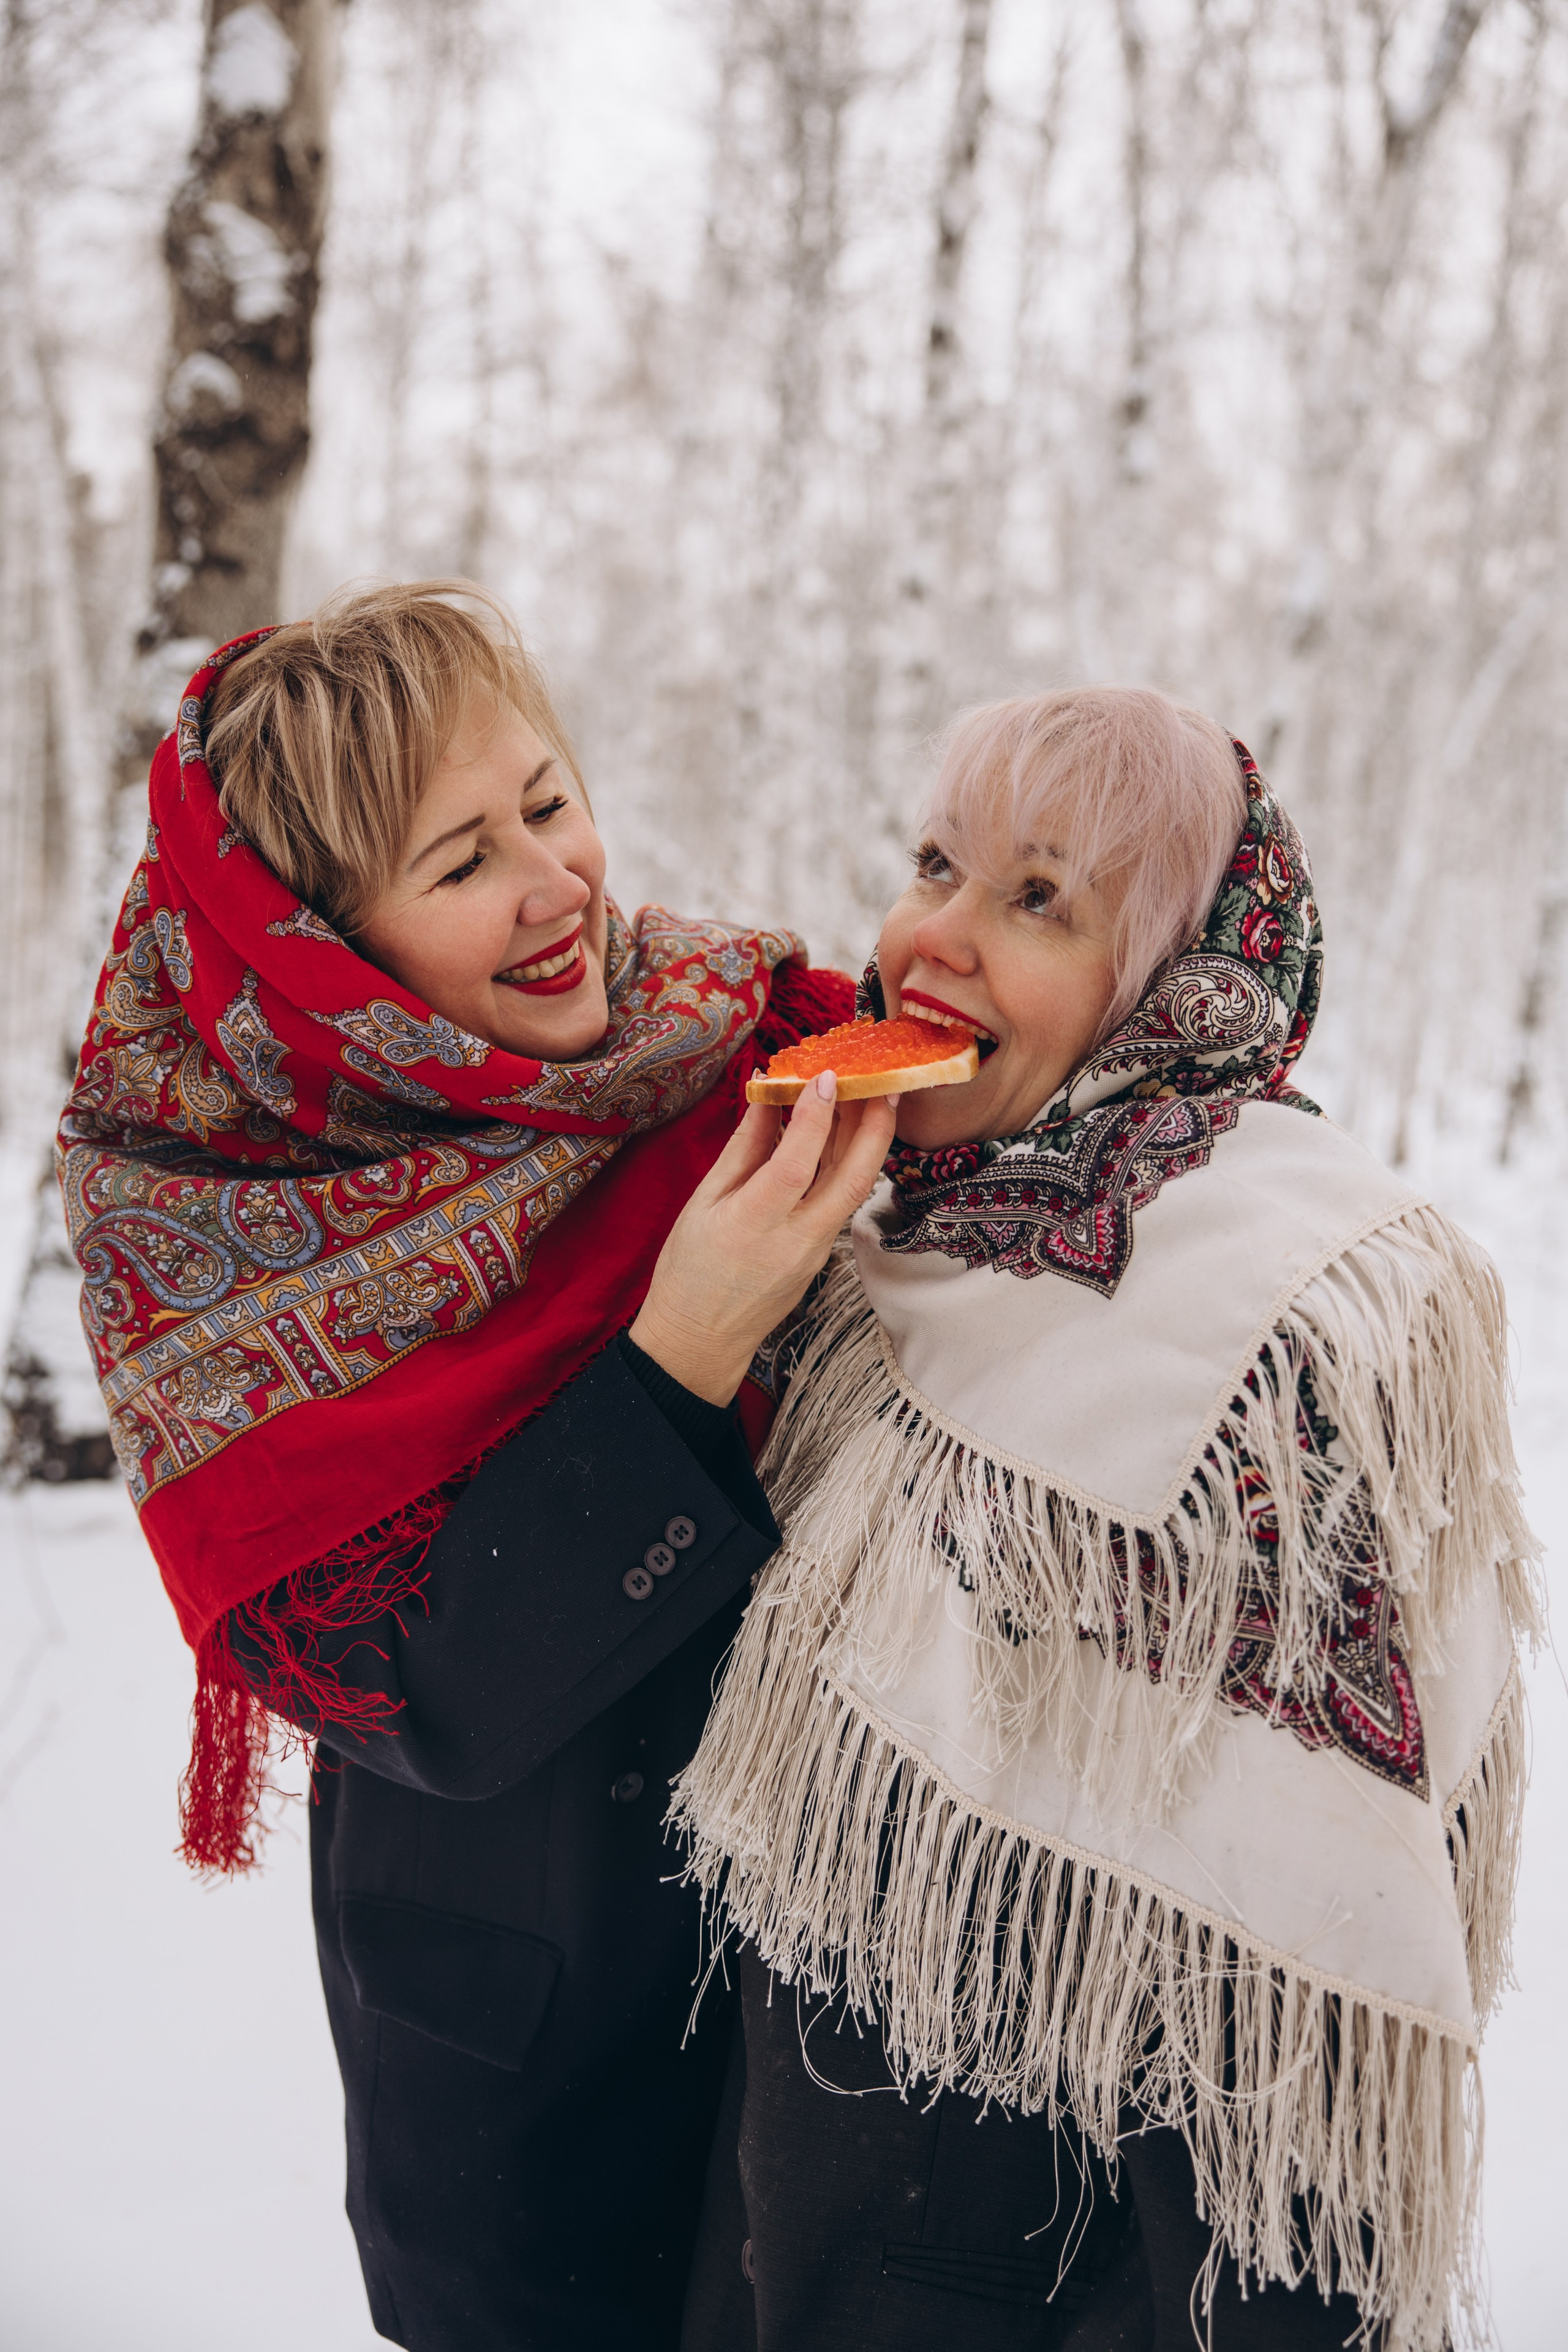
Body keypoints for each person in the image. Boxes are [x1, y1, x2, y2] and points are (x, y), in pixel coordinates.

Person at [627, 689, 1541, 2350]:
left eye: (1041, 898)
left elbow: (1289, 2031)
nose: (934, 935)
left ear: (1179, 986)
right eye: (936, 865)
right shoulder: (877, 1253)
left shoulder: (1287, 1337)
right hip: (781, 2249)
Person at [56, 581, 896, 2352]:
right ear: (321, 953)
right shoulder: (218, 1220)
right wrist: (682, 1349)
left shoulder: (735, 1046)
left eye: (548, 801)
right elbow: (411, 1684)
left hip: (854, 2055)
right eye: (460, 863)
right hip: (543, 2094)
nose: (556, 882)